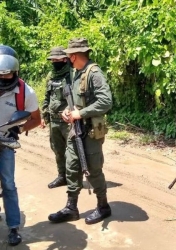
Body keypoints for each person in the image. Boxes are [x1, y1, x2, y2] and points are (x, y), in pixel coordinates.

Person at [48, 38, 112, 225]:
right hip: (76, 129)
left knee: (93, 170)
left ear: (74, 56)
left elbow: (106, 101)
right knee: (72, 165)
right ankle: (71, 207)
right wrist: (70, 111)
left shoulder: (94, 73)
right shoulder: (78, 73)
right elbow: (77, 101)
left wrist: (80, 113)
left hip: (90, 131)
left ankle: (103, 206)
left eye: (69, 55)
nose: (67, 58)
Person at [0, 45, 40, 245]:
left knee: (8, 184)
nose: (2, 79)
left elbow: (36, 119)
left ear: (15, 72)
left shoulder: (25, 91)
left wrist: (19, 129)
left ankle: (13, 226)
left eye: (6, 75)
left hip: (5, 142)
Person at [40, 46, 71, 189]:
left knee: (72, 152)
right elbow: (47, 96)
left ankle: (74, 179)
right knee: (57, 150)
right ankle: (62, 176)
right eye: (52, 60)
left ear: (65, 59)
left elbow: (78, 98)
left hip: (68, 121)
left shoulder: (71, 75)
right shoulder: (51, 76)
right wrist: (44, 115)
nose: (54, 62)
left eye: (56, 59)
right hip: (54, 120)